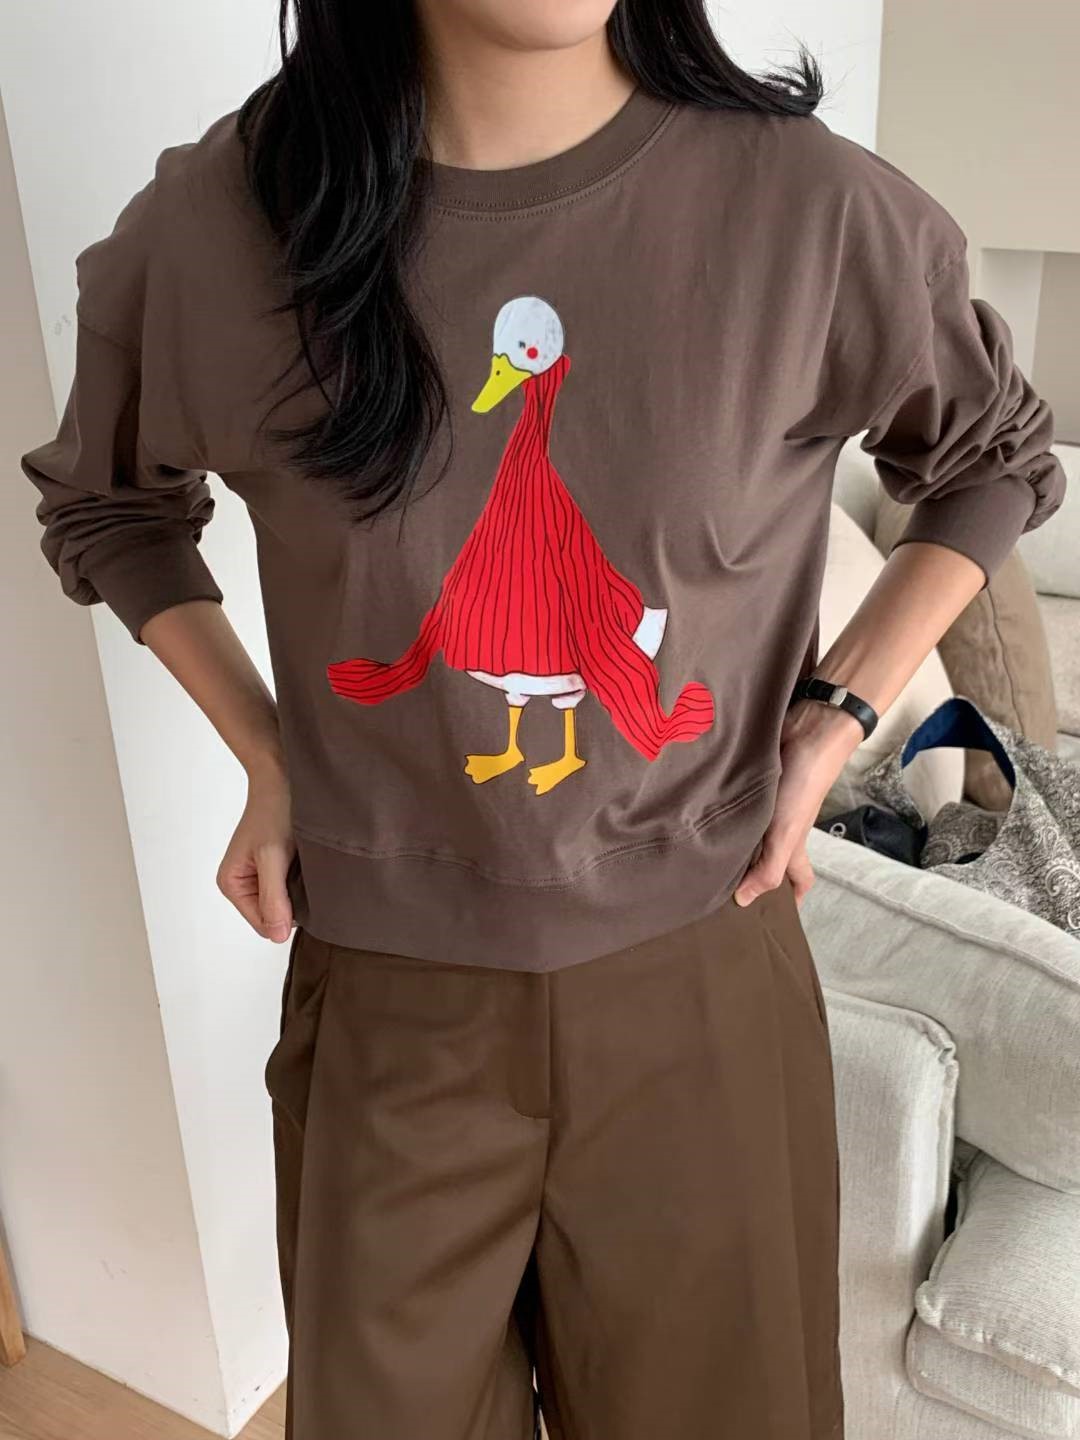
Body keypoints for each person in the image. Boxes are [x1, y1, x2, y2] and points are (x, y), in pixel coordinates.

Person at [20, 2, 1066, 1437]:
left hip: (700, 985)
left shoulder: (807, 210)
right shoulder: (230, 219)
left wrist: (836, 713)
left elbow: (992, 459)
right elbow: (109, 504)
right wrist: (270, 751)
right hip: (389, 1012)